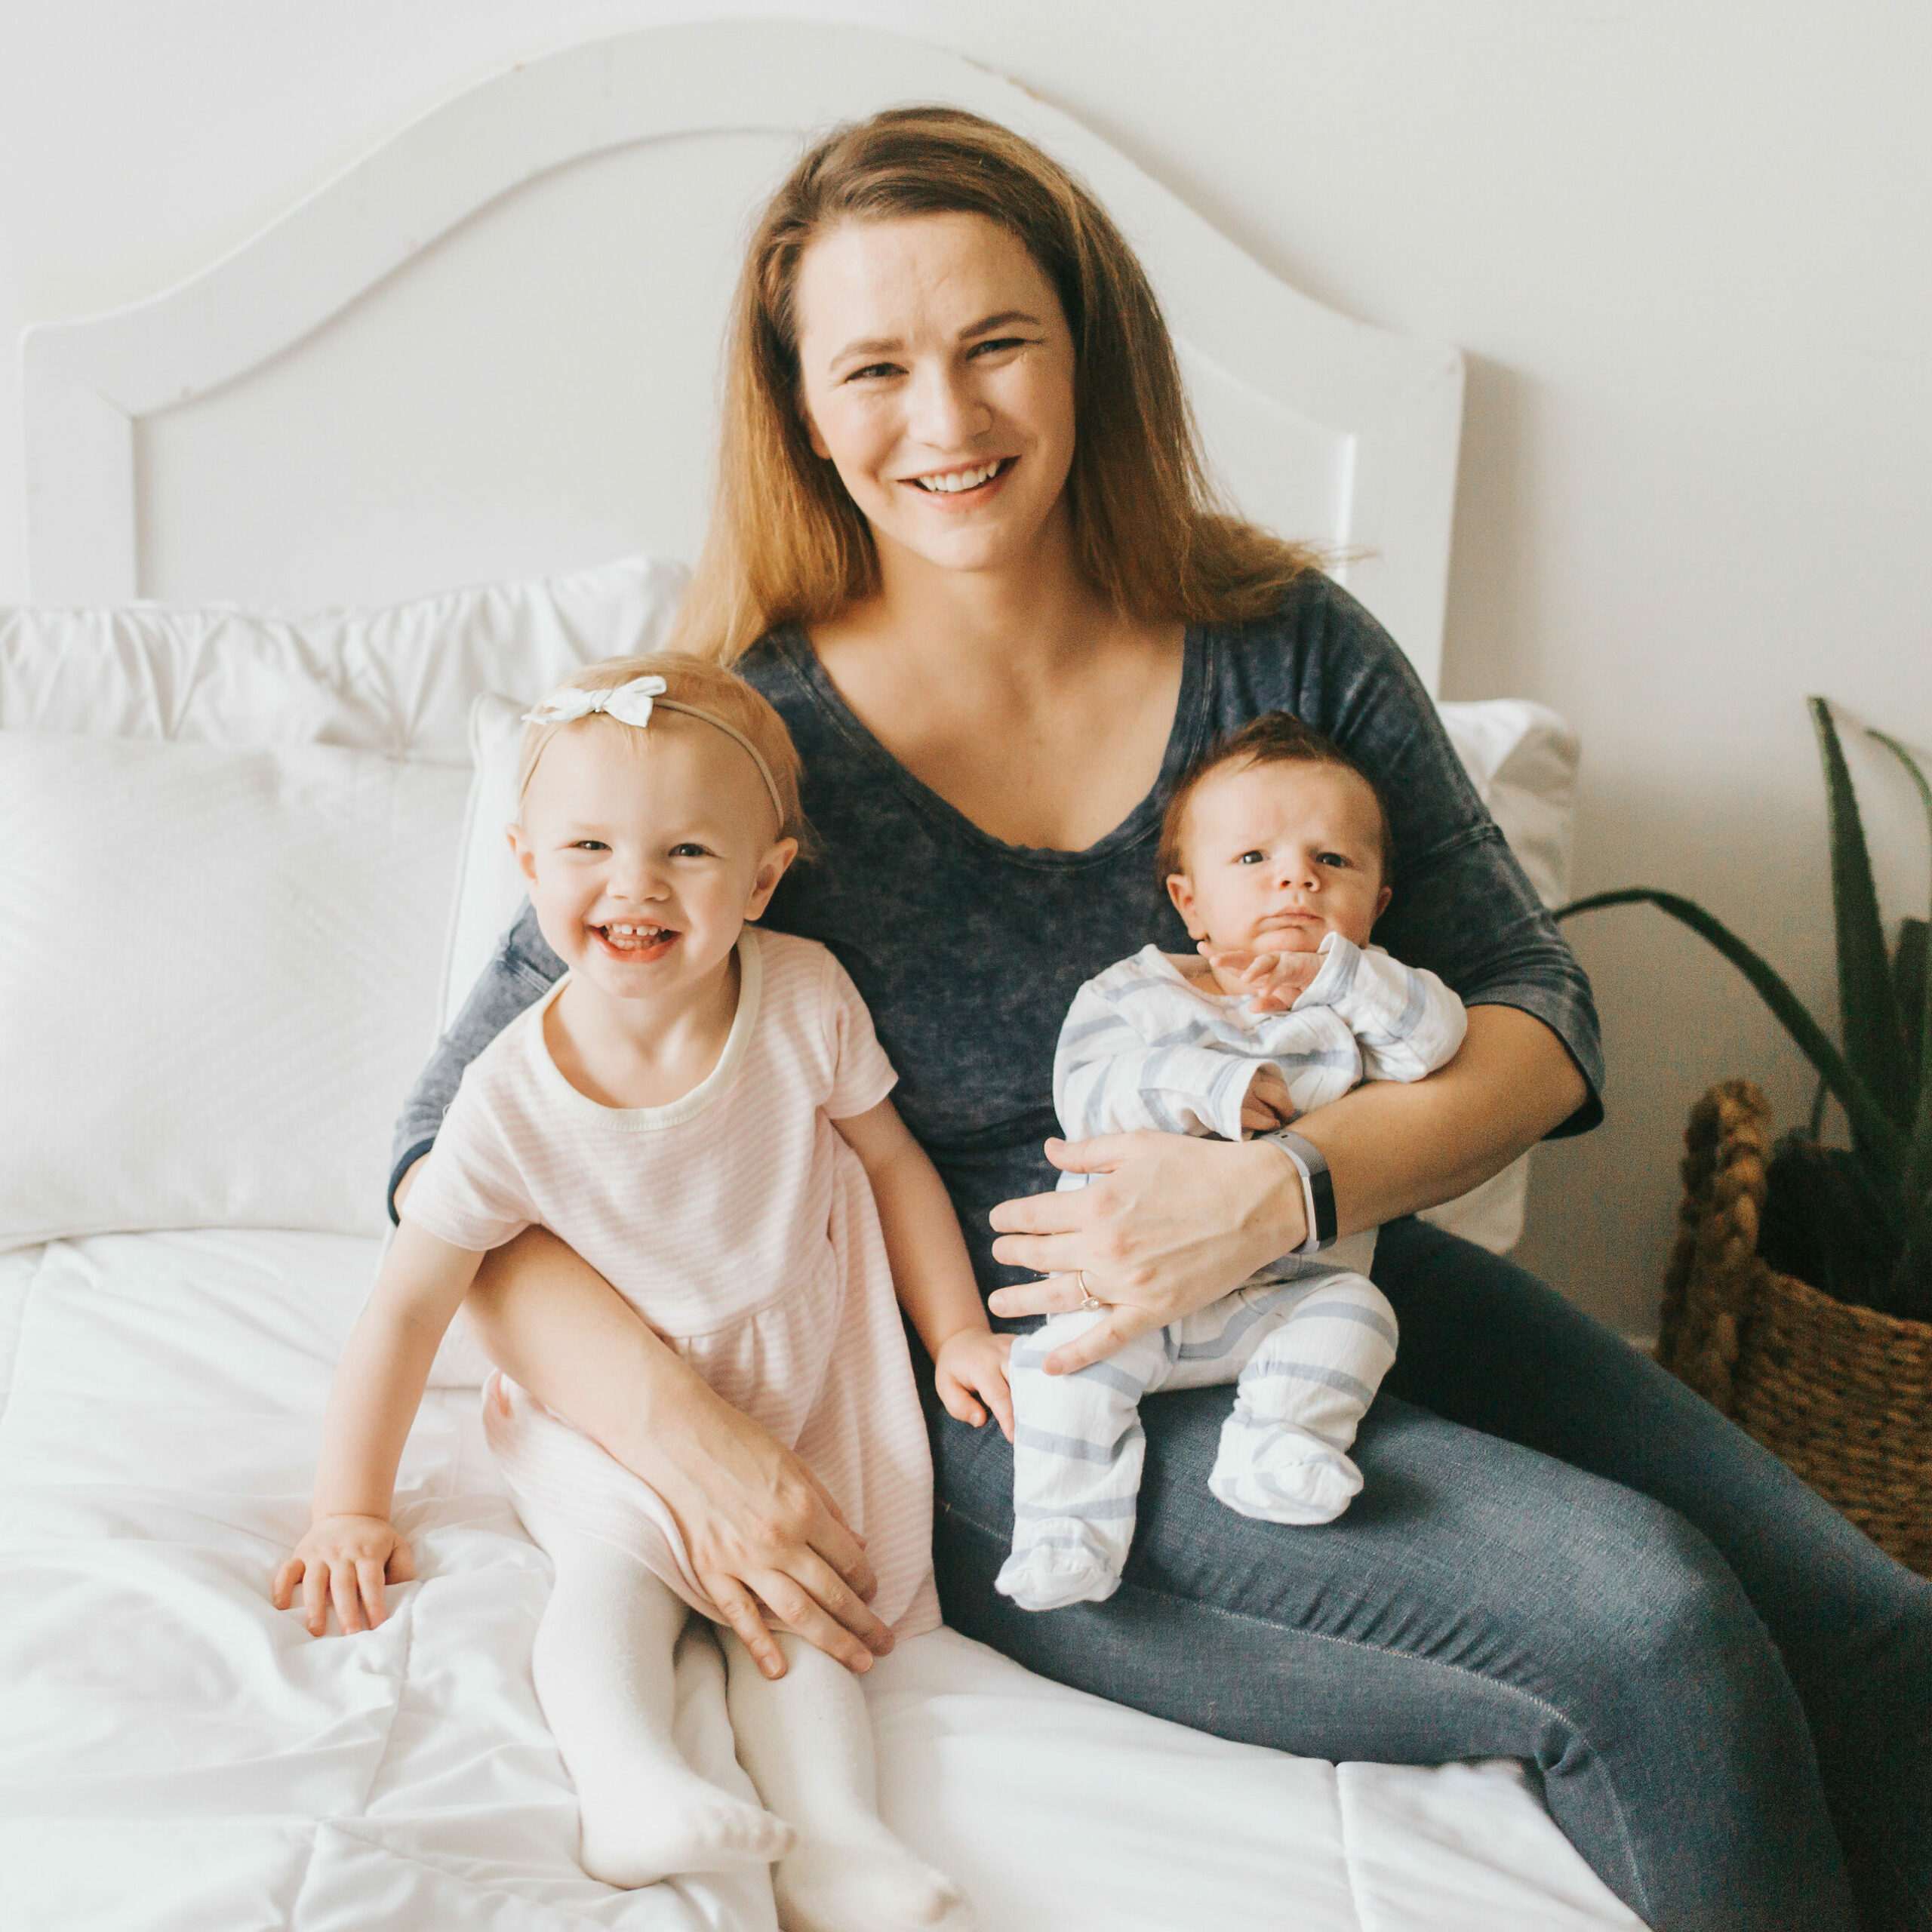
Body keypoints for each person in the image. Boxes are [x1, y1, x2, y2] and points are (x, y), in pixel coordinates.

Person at [392, 108, 1932, 1932]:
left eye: (994, 346)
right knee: (1651, 1629)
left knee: (1872, 1629)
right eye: (874, 367)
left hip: (1332, 1269)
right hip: (1022, 1386)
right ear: (802, 409)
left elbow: (1539, 1012)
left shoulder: (1278, 637)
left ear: (1088, 350)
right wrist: (699, 1443)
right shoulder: (740, 745)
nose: (945, 421)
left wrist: (1278, 1195)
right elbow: (447, 1162)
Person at [285, 656, 1002, 1932]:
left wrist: (955, 1329)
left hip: (790, 1386)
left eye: (685, 850)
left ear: (764, 875)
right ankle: (629, 1788)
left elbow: (893, 1166)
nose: (635, 883)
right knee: (616, 1590)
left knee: (797, 1618)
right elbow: (408, 1305)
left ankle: (839, 1846)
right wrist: (349, 1505)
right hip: (604, 1420)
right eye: (590, 847)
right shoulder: (509, 1094)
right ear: (526, 862)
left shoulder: (803, 1000)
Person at [996, 712, 1466, 1612]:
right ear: (1189, 900)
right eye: (1252, 860)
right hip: (1126, 1298)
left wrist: (1338, 975)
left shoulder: (1364, 1003)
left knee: (1360, 1313)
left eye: (1333, 861)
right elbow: (1085, 1098)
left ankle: (1277, 1445)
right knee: (1060, 1373)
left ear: (1377, 904)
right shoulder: (1135, 993)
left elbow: (1436, 1044)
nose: (1295, 876)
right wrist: (1206, 1085)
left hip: (1283, 1298)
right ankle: (1067, 1538)